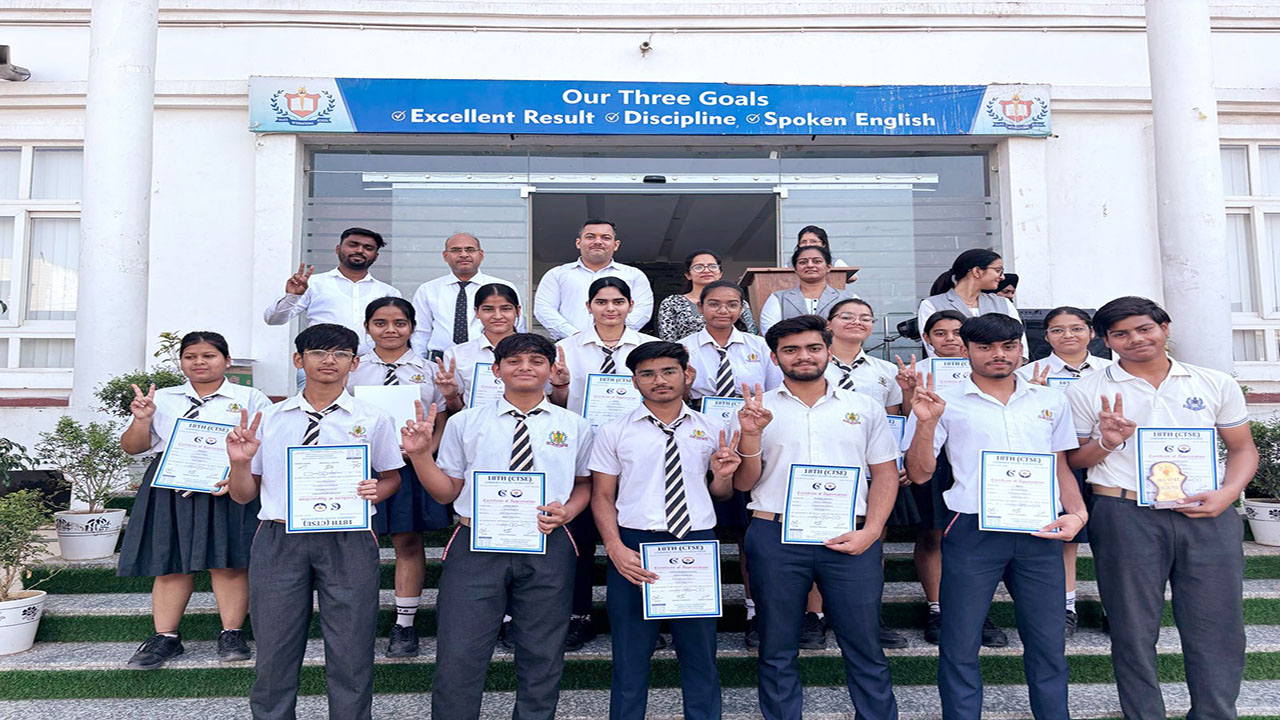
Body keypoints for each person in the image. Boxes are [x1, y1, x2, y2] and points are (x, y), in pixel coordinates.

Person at [1066, 296, 1258, 720]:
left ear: (1164, 328)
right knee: (1132, 628)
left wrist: (1228, 494)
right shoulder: (1087, 389)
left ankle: (1214, 713)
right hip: (1124, 513)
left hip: (1207, 513)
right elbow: (1074, 459)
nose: (1135, 339)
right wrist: (1107, 442)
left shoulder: (1213, 382)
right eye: (1121, 334)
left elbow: (1243, 449)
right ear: (1105, 341)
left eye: (1144, 329)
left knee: (1217, 625)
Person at [904, 313, 1087, 720]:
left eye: (1008, 346)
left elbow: (1059, 464)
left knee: (1048, 641)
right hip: (973, 530)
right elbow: (919, 473)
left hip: (1039, 530)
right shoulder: (942, 401)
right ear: (966, 350)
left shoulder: (1049, 400)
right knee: (960, 640)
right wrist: (926, 425)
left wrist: (1077, 512)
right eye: (985, 347)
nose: (998, 355)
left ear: (1021, 348)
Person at [402, 333, 593, 720]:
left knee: (543, 652)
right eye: (514, 361)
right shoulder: (466, 422)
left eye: (536, 361)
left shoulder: (575, 425)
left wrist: (569, 511)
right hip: (476, 543)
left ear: (551, 369)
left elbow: (583, 484)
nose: (525, 368)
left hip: (547, 542)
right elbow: (446, 491)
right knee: (460, 651)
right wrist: (421, 456)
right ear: (496, 369)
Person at [225, 323, 404, 720]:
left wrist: (378, 490)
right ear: (298, 359)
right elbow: (242, 494)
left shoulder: (373, 418)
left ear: (354, 364)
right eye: (318, 352)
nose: (329, 360)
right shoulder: (268, 419)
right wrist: (239, 463)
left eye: (340, 354)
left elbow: (392, 477)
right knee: (274, 646)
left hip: (349, 538)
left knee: (352, 647)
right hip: (280, 537)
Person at [732, 315, 901, 720]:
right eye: (791, 350)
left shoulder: (864, 407)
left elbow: (885, 474)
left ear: (828, 351)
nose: (803, 356)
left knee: (864, 644)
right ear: (775, 357)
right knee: (776, 646)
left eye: (813, 348)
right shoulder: (755, 410)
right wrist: (751, 436)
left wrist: (872, 532)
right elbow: (743, 483)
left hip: (849, 537)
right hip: (775, 535)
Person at [589, 340, 739, 720]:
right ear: (634, 381)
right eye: (648, 374)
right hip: (635, 544)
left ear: (687, 375)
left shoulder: (712, 427)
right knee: (630, 654)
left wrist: (723, 476)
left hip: (695, 543)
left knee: (700, 653)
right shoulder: (614, 430)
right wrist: (614, 547)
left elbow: (721, 494)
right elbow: (602, 495)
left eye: (669, 371)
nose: (659, 380)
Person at [116, 331, 272, 670]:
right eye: (190, 356)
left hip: (227, 485)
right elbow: (133, 447)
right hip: (170, 488)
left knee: (229, 562)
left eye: (209, 355)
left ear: (227, 361)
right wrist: (142, 419)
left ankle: (232, 633)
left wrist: (240, 475)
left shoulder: (250, 397)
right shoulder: (163, 399)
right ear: (181, 362)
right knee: (171, 561)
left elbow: (265, 447)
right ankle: (166, 637)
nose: (199, 362)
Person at [550, 276, 658, 650]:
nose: (610, 309)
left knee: (634, 533)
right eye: (601, 302)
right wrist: (561, 387)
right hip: (583, 454)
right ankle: (578, 616)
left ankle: (644, 616)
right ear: (588, 307)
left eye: (617, 302)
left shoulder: (648, 348)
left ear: (630, 306)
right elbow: (557, 408)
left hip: (636, 452)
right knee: (579, 539)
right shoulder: (566, 348)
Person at [678, 279, 782, 648]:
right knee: (692, 529)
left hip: (748, 444)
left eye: (732, 304)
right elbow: (673, 396)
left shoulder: (758, 347)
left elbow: (774, 395)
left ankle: (755, 611)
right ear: (700, 307)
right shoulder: (683, 348)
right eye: (715, 304)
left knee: (748, 535)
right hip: (695, 443)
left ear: (741, 309)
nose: (723, 311)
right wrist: (686, 385)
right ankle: (684, 608)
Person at [346, 297, 451, 658]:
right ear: (367, 327)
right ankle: (354, 622)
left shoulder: (429, 369)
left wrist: (425, 452)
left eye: (400, 323)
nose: (390, 330)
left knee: (407, 542)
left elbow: (441, 418)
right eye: (380, 322)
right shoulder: (353, 369)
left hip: (412, 467)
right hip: (364, 468)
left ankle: (404, 625)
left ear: (412, 327)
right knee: (360, 543)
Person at [896, 310, 1007, 649]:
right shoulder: (916, 370)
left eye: (957, 332)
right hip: (932, 456)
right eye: (940, 333)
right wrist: (908, 393)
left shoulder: (995, 371)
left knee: (978, 536)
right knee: (932, 533)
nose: (950, 339)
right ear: (927, 339)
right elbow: (910, 419)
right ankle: (937, 608)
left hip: (979, 460)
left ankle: (977, 609)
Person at [1017, 306, 1113, 638]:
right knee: (1065, 539)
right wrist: (1032, 394)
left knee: (1111, 541)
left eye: (1076, 328)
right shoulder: (1026, 374)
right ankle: (1066, 607)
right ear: (1046, 336)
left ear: (1091, 333)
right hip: (1054, 465)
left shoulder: (1111, 371)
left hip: (1104, 461)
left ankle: (1114, 608)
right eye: (1057, 330)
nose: (1067, 335)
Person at [821, 298, 910, 649]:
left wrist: (896, 462)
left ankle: (869, 614)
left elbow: (893, 422)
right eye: (847, 316)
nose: (856, 322)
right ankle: (815, 616)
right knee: (816, 539)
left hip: (871, 468)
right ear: (829, 323)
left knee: (874, 539)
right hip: (821, 464)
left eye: (865, 317)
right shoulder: (812, 362)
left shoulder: (884, 370)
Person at [263, 228, 400, 353]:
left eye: (368, 248)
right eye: (353, 245)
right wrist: (292, 296)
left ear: (375, 256)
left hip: (371, 365)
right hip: (322, 363)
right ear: (338, 249)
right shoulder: (312, 284)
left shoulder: (388, 293)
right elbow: (273, 320)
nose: (360, 250)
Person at [409, 232, 525, 358]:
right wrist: (421, 364)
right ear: (445, 256)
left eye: (470, 250)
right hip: (440, 361)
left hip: (490, 358)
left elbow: (517, 327)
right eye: (456, 250)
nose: (464, 254)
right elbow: (421, 332)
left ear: (481, 255)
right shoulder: (428, 290)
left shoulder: (502, 287)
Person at [534, 219, 654, 340]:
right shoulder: (557, 274)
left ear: (616, 245)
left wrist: (613, 335)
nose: (598, 242)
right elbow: (544, 309)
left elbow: (642, 310)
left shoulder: (634, 275)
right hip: (568, 344)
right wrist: (575, 336)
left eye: (606, 238)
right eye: (590, 237)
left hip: (621, 344)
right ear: (578, 243)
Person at [916, 249, 1021, 357]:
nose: (1002, 277)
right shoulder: (931, 304)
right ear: (977, 271)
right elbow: (932, 350)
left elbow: (1020, 347)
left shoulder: (1004, 303)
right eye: (998, 270)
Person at [440, 282, 523, 409]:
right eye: (488, 309)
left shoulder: (537, 351)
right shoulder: (456, 354)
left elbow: (550, 399)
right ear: (477, 312)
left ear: (518, 311)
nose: (497, 316)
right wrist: (451, 396)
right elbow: (457, 410)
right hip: (475, 421)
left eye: (505, 309)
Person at [656, 249, 758, 342]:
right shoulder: (672, 302)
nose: (706, 270)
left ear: (720, 273)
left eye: (712, 266)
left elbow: (752, 333)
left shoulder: (736, 302)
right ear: (688, 275)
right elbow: (667, 340)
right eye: (698, 267)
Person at [758, 245, 858, 335]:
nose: (810, 265)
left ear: (828, 267)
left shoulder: (848, 298)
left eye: (817, 261)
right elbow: (771, 334)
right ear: (795, 269)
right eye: (803, 262)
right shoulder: (778, 298)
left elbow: (857, 330)